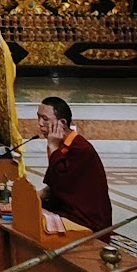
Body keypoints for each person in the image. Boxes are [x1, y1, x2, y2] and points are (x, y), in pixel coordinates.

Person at [35, 96, 112, 231]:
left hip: (86, 219)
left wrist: (53, 147)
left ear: (62, 123)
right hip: (65, 208)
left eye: (45, 119)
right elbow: (54, 185)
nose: (40, 123)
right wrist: (33, 197)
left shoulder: (80, 149)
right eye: (38, 117)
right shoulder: (60, 145)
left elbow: (62, 182)